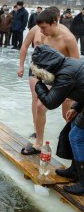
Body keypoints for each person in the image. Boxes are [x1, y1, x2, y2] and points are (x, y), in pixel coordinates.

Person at [17, 8, 79, 155]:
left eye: (44, 28)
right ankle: (38, 143)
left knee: (67, 115)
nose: (42, 31)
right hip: (50, 77)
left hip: (67, 79)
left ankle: (74, 146)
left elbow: (77, 65)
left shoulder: (68, 38)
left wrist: (71, 93)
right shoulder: (44, 36)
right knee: (40, 105)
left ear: (54, 22)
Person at [31, 45, 84, 194]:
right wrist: (76, 108)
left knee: (76, 136)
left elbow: (51, 102)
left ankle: (83, 182)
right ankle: (75, 171)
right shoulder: (68, 64)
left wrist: (38, 85)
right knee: (73, 127)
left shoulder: (65, 74)